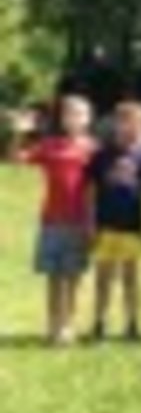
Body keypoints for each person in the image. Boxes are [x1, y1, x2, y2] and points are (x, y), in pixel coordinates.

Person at [17, 95, 97, 344]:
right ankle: (52, 326)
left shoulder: (93, 149)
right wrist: (20, 133)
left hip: (80, 221)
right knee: (53, 276)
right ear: (62, 119)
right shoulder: (50, 145)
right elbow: (18, 157)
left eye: (80, 114)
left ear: (88, 119)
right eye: (70, 113)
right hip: (51, 220)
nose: (75, 118)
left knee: (73, 276)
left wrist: (93, 223)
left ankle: (68, 325)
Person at [85, 100, 141, 342]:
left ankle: (133, 324)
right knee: (104, 277)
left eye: (137, 123)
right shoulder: (101, 155)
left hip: (133, 226)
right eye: (125, 122)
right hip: (105, 225)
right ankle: (100, 323)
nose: (131, 128)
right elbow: (91, 191)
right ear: (116, 124)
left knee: (132, 277)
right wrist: (89, 222)